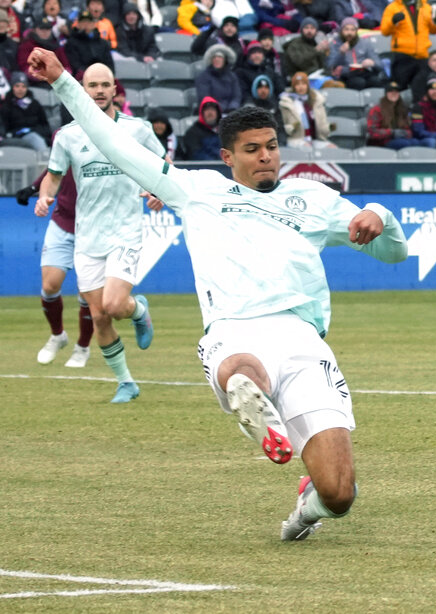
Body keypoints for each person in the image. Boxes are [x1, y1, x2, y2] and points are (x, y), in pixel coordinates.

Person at [30, 46, 408, 542]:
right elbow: (115, 144)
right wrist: (62, 81)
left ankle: (304, 509)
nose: (266, 155)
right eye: (252, 149)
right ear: (228, 157)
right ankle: (259, 410)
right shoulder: (197, 190)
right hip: (233, 331)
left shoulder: (314, 200)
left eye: (271, 145)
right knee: (241, 372)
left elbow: (394, 253)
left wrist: (379, 215)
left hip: (303, 339)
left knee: (339, 494)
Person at [34, 62, 162, 403]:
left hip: (125, 231)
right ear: (83, 89)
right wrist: (46, 194)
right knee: (101, 316)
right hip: (86, 237)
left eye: (106, 84)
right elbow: (55, 175)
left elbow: (163, 167)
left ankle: (138, 310)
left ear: (115, 88)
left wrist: (157, 191)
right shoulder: (68, 136)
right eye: (93, 85)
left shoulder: (138, 129)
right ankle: (126, 383)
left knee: (116, 304)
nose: (100, 90)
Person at [16, 170, 93, 368]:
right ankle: (58, 335)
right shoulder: (62, 137)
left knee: (88, 292)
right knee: (49, 286)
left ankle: (82, 347)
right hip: (62, 220)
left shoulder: (108, 139)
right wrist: (35, 187)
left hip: (94, 226)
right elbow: (55, 166)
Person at [380, 0, 436, 90]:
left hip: (422, 56)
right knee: (399, 88)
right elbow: (384, 31)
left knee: (422, 90)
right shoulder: (392, 8)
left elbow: (434, 30)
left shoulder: (426, 7)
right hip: (402, 55)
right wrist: (392, 21)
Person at [366, 80, 431, 149]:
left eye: (396, 92)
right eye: (391, 92)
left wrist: (406, 133)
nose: (394, 94)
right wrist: (392, 132)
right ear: (386, 94)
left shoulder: (402, 109)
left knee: (416, 142)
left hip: (401, 139)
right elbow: (372, 132)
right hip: (382, 142)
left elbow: (408, 128)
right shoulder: (376, 110)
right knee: (406, 144)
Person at [327, 16, 386, 90]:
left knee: (376, 81)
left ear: (356, 31)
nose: (349, 33)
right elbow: (330, 65)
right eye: (346, 29)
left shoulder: (365, 43)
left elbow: (379, 64)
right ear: (341, 31)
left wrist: (372, 63)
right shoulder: (335, 43)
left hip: (364, 71)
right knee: (359, 82)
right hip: (347, 74)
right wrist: (341, 53)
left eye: (352, 30)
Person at [280, 71, 333, 148]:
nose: (301, 87)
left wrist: (327, 128)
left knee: (332, 148)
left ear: (307, 86)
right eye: (297, 84)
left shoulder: (317, 101)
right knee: (307, 148)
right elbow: (283, 125)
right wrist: (291, 127)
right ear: (293, 86)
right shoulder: (286, 103)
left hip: (315, 139)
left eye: (303, 84)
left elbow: (323, 122)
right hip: (296, 139)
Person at [0, 71, 52, 151]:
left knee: (34, 138)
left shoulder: (35, 104)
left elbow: (45, 127)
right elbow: (4, 128)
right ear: (12, 87)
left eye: (23, 86)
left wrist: (33, 130)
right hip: (15, 139)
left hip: (36, 135)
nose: (20, 89)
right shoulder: (7, 105)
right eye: (17, 86)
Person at [16, 11, 71, 85]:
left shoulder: (56, 45)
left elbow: (66, 66)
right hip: (34, 84)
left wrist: (61, 75)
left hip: (56, 82)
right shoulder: (26, 46)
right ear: (35, 30)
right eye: (42, 29)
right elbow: (24, 67)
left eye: (47, 29)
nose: (45, 32)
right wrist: (42, 75)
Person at [65, 12, 115, 76]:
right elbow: (75, 65)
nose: (86, 24)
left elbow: (110, 65)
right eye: (83, 22)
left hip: (103, 75)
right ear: (78, 24)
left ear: (94, 24)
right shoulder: (71, 42)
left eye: (89, 22)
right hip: (82, 77)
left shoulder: (103, 43)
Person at [196, 44, 243, 113]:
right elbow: (205, 97)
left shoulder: (232, 77)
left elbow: (236, 96)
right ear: (211, 60)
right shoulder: (203, 77)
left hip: (231, 111)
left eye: (220, 57)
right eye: (214, 57)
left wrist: (232, 108)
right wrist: (220, 108)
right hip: (212, 111)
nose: (217, 59)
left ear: (225, 60)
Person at [246, 74, 288, 145]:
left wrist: (281, 143)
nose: (263, 90)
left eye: (266, 87)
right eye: (260, 87)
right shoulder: (250, 108)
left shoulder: (274, 106)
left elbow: (280, 129)